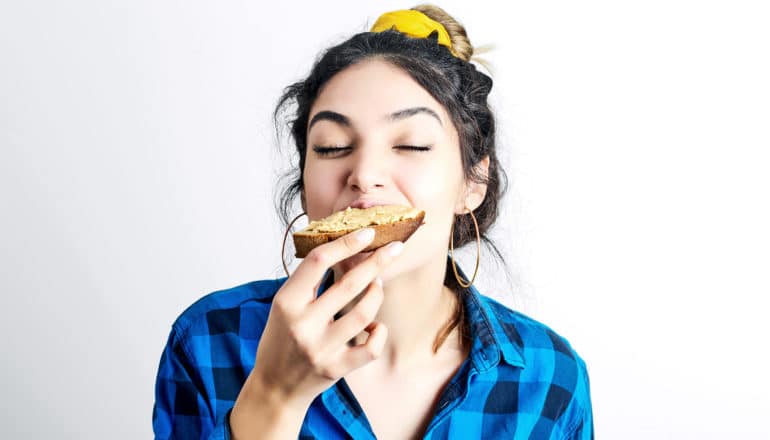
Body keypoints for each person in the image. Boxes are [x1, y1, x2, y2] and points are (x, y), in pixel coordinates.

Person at [153, 5, 593, 439]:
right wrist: (274, 397)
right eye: (331, 147)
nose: (363, 174)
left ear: (473, 182)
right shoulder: (210, 341)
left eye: (413, 145)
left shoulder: (550, 380)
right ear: (304, 184)